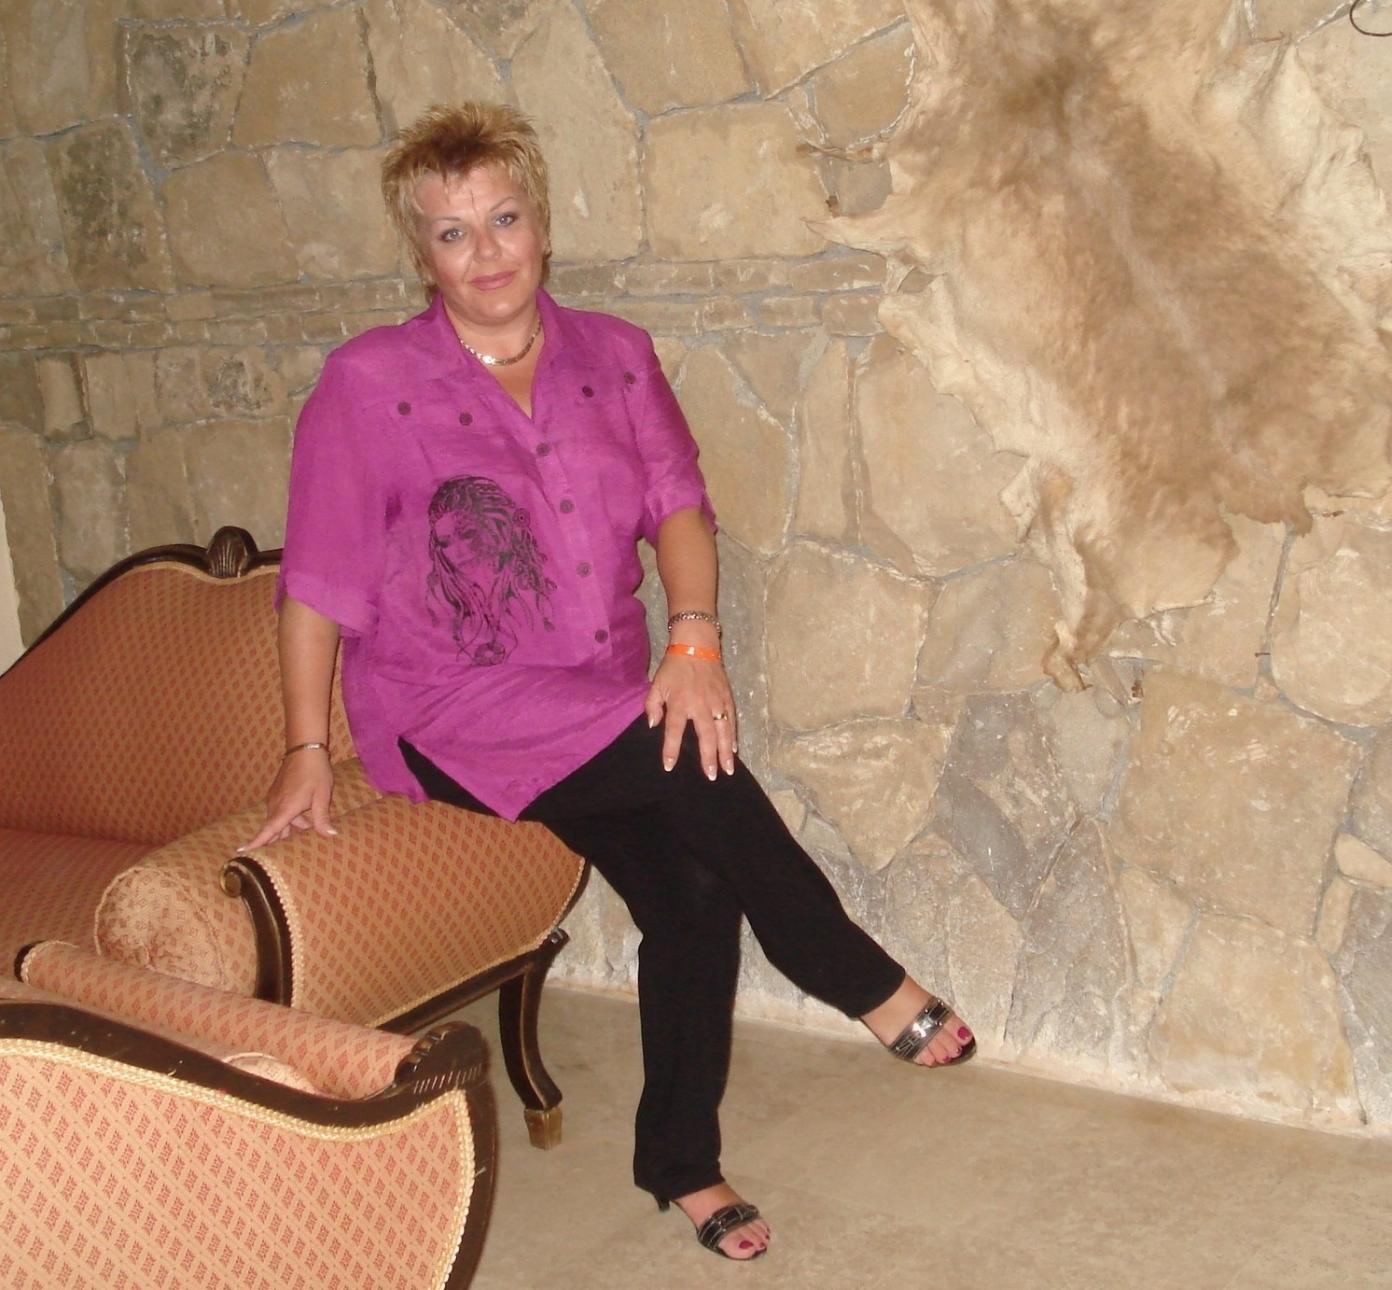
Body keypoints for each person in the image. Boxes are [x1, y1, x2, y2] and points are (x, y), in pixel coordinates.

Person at [243, 102, 975, 1263]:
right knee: (690, 763)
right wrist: (301, 746)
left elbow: (679, 507)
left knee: (692, 894)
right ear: (421, 252)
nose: (485, 252)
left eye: (503, 219)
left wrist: (695, 643)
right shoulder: (366, 382)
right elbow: (319, 584)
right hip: (450, 706)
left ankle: (681, 1165)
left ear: (540, 223)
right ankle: (854, 974)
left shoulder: (616, 356)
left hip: (601, 691)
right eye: (451, 232)